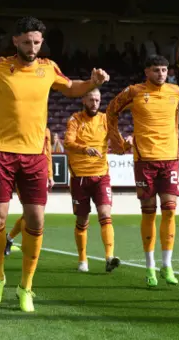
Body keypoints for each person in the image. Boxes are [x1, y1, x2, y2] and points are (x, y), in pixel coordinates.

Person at [0, 16, 109, 312]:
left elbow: (71, 88)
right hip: (2, 154)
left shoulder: (48, 68)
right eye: (27, 42)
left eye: (37, 42)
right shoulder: (0, 65)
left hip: (35, 156)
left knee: (36, 220)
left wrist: (93, 82)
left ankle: (26, 287)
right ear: (16, 40)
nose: (32, 47)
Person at [106, 55, 179, 288]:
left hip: (170, 158)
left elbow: (176, 119)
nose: (161, 74)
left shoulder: (175, 91)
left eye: (164, 70)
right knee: (148, 212)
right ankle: (149, 268)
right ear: (146, 71)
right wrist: (117, 141)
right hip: (145, 159)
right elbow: (111, 111)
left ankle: (167, 265)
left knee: (169, 211)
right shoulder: (134, 91)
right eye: (156, 70)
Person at [63, 88, 120, 273]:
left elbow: (117, 143)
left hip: (101, 176)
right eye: (91, 100)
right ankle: (82, 260)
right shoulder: (75, 120)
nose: (94, 103)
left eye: (97, 100)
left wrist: (126, 143)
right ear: (84, 100)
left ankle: (109, 257)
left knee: (105, 215)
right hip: (80, 177)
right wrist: (84, 148)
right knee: (82, 220)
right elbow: (68, 143)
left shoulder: (105, 119)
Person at [5, 128, 55, 255]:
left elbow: (48, 153)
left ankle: (9, 239)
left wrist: (50, 175)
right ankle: (24, 245)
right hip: (23, 173)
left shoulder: (46, 131)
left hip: (39, 173)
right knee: (29, 213)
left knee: (33, 214)